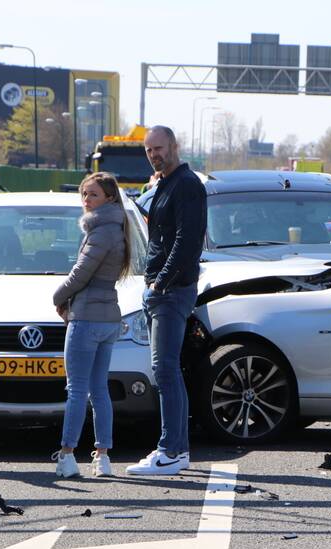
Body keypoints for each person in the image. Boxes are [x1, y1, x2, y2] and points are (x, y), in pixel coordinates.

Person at [125, 125, 205, 477]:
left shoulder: (187, 185)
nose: (154, 154)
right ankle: (177, 450)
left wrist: (160, 283)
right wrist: (152, 187)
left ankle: (170, 450)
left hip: (170, 292)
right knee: (169, 371)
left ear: (175, 146)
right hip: (163, 291)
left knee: (165, 370)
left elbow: (188, 242)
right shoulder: (164, 184)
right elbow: (146, 220)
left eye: (159, 148)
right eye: (148, 150)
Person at [50, 172, 131, 478]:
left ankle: (68, 455)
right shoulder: (117, 228)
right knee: (99, 390)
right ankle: (103, 456)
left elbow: (80, 273)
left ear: (109, 198)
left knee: (76, 390)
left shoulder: (100, 231)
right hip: (108, 318)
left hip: (86, 319)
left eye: (93, 194)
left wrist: (57, 297)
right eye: (84, 194)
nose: (86, 200)